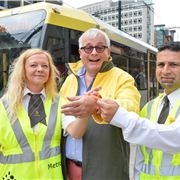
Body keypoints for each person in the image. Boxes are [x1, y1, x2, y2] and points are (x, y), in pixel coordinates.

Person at [0, 48, 96, 179]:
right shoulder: (3, 105)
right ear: (22, 70)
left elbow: (76, 132)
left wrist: (85, 112)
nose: (40, 69)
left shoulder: (59, 102)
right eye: (33, 65)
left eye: (45, 66)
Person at [60, 28, 140, 180]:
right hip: (70, 168)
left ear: (108, 52)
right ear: (80, 52)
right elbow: (61, 113)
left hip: (106, 170)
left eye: (100, 47)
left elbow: (130, 107)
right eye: (88, 48)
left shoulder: (123, 78)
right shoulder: (70, 79)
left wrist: (97, 105)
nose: (94, 52)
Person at [96, 41, 180, 179]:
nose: (165, 71)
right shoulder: (150, 106)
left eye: (174, 64)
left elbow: (175, 139)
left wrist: (120, 116)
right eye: (161, 64)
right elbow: (140, 157)